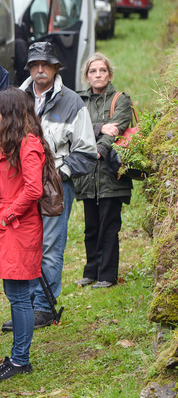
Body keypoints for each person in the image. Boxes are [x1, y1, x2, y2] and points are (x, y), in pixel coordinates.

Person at [11, 42, 96, 331]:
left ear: (56, 67)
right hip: (19, 186)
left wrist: (57, 174)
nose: (39, 69)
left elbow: (86, 152)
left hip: (55, 187)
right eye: (34, 64)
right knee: (23, 245)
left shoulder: (72, 102)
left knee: (49, 246)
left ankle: (44, 306)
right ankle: (25, 309)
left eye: (45, 64)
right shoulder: (17, 99)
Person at [0, 87, 46, 383]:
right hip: (11, 228)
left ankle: (21, 359)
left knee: (19, 298)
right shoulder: (12, 142)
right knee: (15, 295)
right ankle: (19, 356)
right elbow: (11, 179)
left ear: (10, 115)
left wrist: (6, 215)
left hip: (19, 227)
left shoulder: (29, 144)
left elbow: (34, 189)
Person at [73, 53, 133, 289]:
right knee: (91, 227)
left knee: (109, 227)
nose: (98, 75)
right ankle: (91, 272)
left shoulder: (121, 100)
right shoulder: (78, 101)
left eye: (102, 70)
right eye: (93, 71)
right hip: (87, 176)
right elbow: (76, 129)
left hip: (111, 175)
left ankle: (107, 275)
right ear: (87, 76)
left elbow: (116, 129)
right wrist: (99, 127)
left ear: (109, 74)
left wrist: (99, 147)